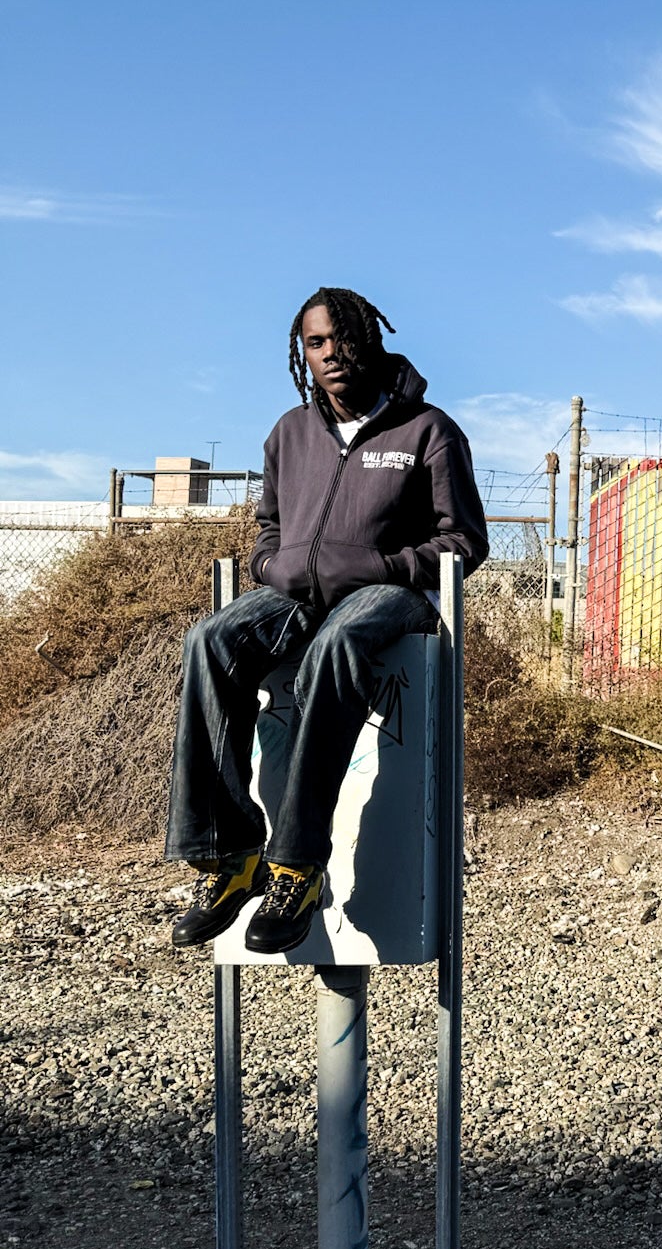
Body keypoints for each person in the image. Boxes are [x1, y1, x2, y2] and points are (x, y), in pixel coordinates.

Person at [165, 287, 488, 953]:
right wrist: (268, 565)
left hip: (391, 593)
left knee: (338, 642)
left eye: (344, 338)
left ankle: (297, 866)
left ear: (372, 341)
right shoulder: (289, 432)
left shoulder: (427, 430)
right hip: (298, 595)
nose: (332, 353)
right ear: (303, 353)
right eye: (316, 343)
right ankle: (230, 856)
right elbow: (269, 527)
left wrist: (381, 564)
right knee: (210, 640)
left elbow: (464, 542)